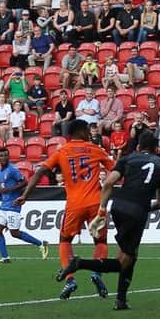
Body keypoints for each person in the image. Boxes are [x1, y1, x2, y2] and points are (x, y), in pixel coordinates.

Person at [55, 131, 160, 310]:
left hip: (117, 206)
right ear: (156, 149)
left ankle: (121, 301)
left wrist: (102, 211)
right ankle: (80, 264)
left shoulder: (128, 159)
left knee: (128, 256)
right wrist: (144, 206)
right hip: (137, 211)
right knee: (125, 261)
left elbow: (108, 183)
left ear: (138, 147)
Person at [15, 119, 116, 300]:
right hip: (95, 202)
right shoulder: (95, 149)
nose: (90, 133)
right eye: (87, 130)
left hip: (74, 204)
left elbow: (39, 172)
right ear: (82, 131)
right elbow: (115, 171)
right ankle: (96, 274)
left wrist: (25, 195)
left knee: (65, 240)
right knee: (100, 242)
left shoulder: (61, 151)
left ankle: (70, 279)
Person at [0, 148, 49, 264]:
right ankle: (5, 257)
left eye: (5, 155)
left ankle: (41, 243)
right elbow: (3, 187)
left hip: (13, 205)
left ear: (8, 157)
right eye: (1, 156)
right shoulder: (0, 171)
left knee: (14, 233)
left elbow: (24, 182)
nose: (3, 158)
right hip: (3, 206)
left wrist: (10, 190)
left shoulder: (12, 170)